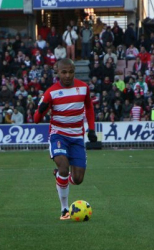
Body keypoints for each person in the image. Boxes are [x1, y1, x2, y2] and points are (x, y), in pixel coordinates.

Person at [34, 59, 97, 220]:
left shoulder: (83, 88)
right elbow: (35, 119)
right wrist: (40, 111)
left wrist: (91, 129)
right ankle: (64, 209)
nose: (67, 75)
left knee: (78, 179)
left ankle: (60, 177)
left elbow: (89, 107)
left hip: (77, 137)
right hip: (58, 135)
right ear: (58, 72)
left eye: (71, 72)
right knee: (63, 166)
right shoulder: (51, 92)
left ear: (74, 72)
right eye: (64, 72)